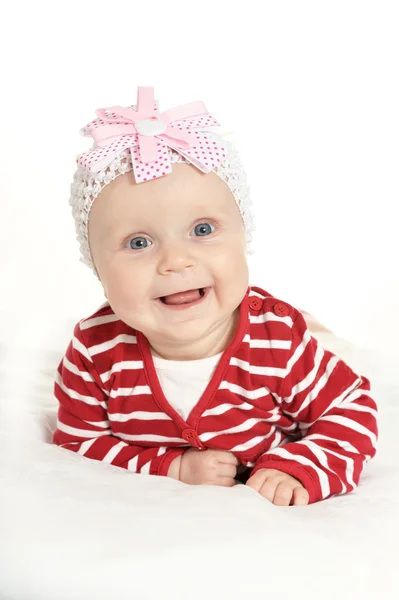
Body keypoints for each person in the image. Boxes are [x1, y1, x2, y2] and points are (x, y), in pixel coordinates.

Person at [52, 86, 378, 506]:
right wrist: (172, 467)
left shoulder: (276, 341)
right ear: (96, 267)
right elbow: (78, 443)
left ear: (244, 237)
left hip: (283, 368)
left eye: (202, 230)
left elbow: (350, 408)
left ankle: (319, 327)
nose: (176, 262)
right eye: (138, 243)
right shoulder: (94, 351)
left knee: (329, 352)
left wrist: (300, 464)